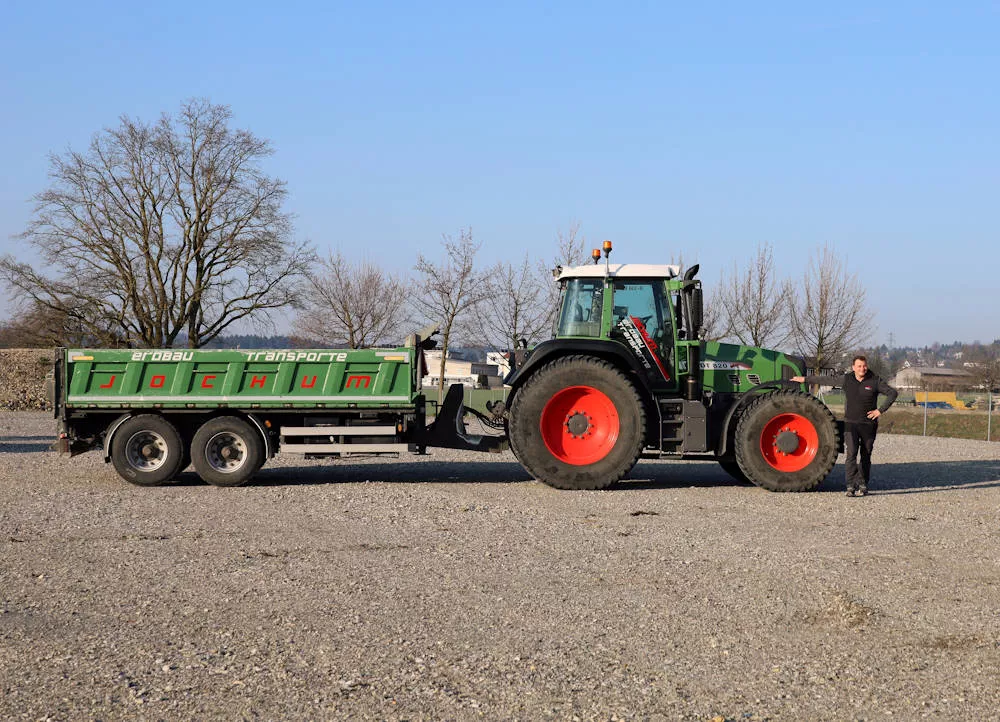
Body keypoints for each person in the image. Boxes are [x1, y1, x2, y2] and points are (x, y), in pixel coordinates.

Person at [791, 355, 898, 497]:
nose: (862, 369)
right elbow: (826, 379)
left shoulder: (874, 380)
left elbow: (893, 393)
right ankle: (850, 485)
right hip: (851, 424)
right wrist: (805, 379)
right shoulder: (847, 379)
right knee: (851, 454)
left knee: (866, 455)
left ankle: (863, 483)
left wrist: (880, 410)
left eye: (864, 366)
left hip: (868, 425)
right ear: (853, 367)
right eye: (859, 366)